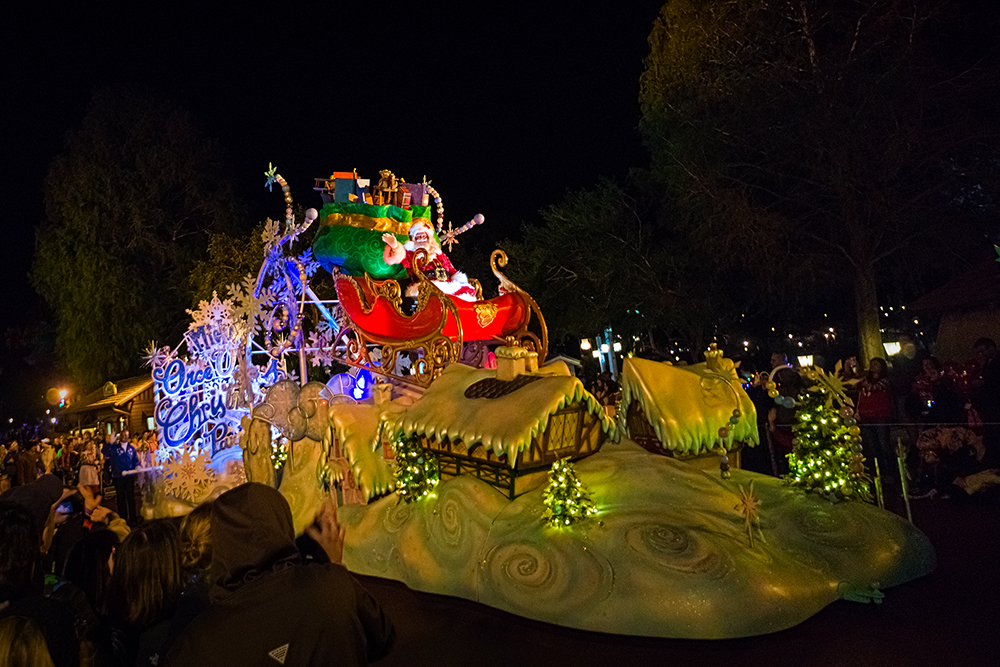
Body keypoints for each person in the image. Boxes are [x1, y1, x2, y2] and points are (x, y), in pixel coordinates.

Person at [166, 484, 394, 667]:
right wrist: (334, 568)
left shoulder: (196, 642)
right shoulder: (331, 588)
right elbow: (381, 638)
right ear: (281, 525)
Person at [382, 220, 477, 301]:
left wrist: (460, 280)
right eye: (418, 237)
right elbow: (401, 257)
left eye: (424, 236)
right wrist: (395, 246)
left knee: (468, 292)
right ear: (414, 239)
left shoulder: (439, 254)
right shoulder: (412, 254)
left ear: (429, 238)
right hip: (425, 286)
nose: (422, 239)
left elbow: (452, 270)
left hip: (447, 284)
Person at [857, 357, 896, 483]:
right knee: (872, 446)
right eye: (872, 364)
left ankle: (891, 471)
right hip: (867, 416)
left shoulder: (885, 381)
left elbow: (873, 388)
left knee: (884, 444)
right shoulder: (865, 380)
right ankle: (877, 472)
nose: (873, 366)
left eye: (876, 364)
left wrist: (862, 379)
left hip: (880, 416)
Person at [108, 436, 139, 526]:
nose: (125, 437)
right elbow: (107, 452)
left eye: (126, 435)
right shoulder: (115, 448)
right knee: (120, 497)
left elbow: (135, 460)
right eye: (123, 435)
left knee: (131, 496)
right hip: (118, 476)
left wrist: (136, 467)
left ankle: (133, 518)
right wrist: (111, 443)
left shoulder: (131, 448)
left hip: (129, 475)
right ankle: (123, 518)